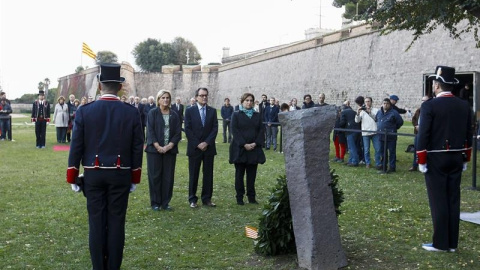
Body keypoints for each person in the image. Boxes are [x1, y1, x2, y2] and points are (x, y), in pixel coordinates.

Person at [66, 63, 144, 269]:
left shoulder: (85, 111)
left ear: (99, 86)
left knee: (96, 224)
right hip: (120, 175)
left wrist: (72, 174)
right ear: (119, 87)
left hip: (93, 174)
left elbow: (76, 146)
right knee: (117, 223)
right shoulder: (131, 112)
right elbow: (137, 147)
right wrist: (135, 176)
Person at [417, 66, 472, 252]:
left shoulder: (429, 105)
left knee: (438, 200)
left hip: (435, 157)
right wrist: (466, 157)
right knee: (453, 199)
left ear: (437, 85)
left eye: (434, 84)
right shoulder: (464, 105)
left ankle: (441, 243)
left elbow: (423, 134)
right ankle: (452, 243)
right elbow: (468, 133)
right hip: (457, 155)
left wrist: (421, 159)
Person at [145, 90, 182, 211]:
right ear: (158, 99)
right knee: (155, 176)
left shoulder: (174, 114)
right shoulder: (152, 113)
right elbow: (150, 131)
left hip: (169, 150)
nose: (165, 100)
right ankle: (155, 202)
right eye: (163, 97)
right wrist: (158, 146)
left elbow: (177, 133)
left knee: (168, 176)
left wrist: (168, 146)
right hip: (154, 151)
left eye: (167, 98)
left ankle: (165, 202)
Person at [184, 87, 219, 208]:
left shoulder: (212, 111)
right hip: (195, 148)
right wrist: (198, 144)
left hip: (208, 148)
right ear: (196, 97)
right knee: (194, 174)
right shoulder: (189, 111)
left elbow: (215, 128)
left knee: (208, 174)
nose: (204, 97)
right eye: (202, 95)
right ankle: (192, 199)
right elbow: (187, 129)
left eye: (206, 95)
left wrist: (206, 143)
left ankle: (207, 198)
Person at [229, 93, 266, 205]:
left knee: (251, 175)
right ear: (242, 102)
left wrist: (255, 143)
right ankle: (239, 197)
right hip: (240, 149)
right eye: (247, 100)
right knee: (239, 175)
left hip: (253, 149)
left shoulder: (257, 115)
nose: (249, 102)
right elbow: (234, 131)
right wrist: (244, 144)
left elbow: (261, 130)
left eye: (251, 100)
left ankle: (251, 197)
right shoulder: (236, 115)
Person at [376, 98, 404, 173]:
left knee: (391, 152)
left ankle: (392, 167)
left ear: (389, 104)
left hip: (391, 136)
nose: (385, 105)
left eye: (387, 103)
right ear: (382, 104)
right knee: (382, 152)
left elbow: (400, 122)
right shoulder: (379, 112)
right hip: (381, 136)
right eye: (384, 103)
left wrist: (393, 128)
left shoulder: (394, 112)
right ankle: (383, 166)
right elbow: (377, 120)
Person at [355, 96, 380, 169]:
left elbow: (376, 119)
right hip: (365, 133)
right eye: (366, 101)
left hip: (375, 132)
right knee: (366, 150)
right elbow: (357, 121)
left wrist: (369, 112)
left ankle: (378, 163)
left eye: (368, 101)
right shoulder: (362, 111)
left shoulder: (376, 110)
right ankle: (367, 163)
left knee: (377, 149)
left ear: (371, 102)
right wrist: (357, 113)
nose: (367, 103)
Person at [409, 95, 430, 171]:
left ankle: (426, 165)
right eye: (422, 100)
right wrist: (416, 126)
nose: (424, 102)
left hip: (427, 134)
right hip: (418, 133)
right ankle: (415, 165)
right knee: (416, 149)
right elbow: (414, 119)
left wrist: (423, 128)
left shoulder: (431, 110)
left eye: (425, 100)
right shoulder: (419, 110)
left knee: (426, 149)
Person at [340, 101, 360, 166]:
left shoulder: (343, 112)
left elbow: (342, 123)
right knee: (353, 146)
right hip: (357, 130)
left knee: (351, 147)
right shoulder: (353, 111)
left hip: (350, 130)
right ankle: (350, 160)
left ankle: (354, 161)